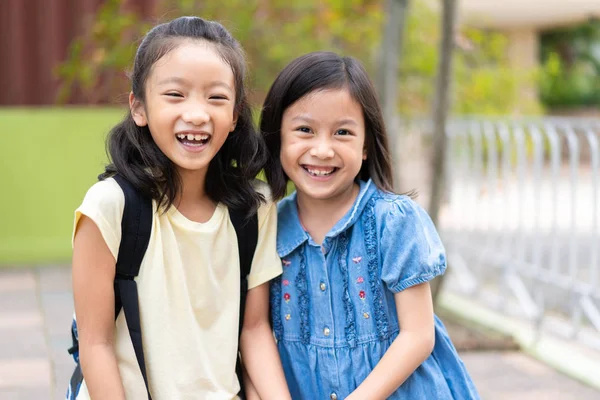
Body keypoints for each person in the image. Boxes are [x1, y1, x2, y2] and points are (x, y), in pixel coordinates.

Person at [71, 16, 290, 400]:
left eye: (216, 97)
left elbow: (254, 331)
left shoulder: (256, 208)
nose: (197, 114)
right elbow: (96, 345)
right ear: (139, 108)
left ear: (235, 115)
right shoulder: (109, 206)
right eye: (175, 94)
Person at [261, 51, 480, 399]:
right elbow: (256, 332)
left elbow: (418, 335)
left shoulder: (393, 221)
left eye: (342, 132)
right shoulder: (267, 229)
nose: (322, 150)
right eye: (304, 130)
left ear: (366, 146)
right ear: (278, 139)